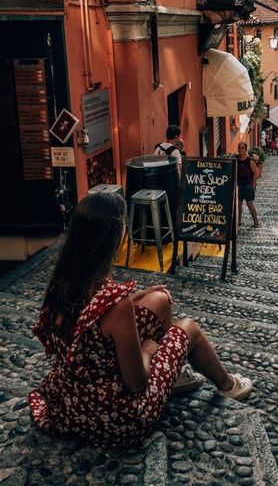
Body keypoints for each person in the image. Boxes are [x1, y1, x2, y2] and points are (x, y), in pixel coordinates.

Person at [29, 193, 252, 447]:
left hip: (74, 404)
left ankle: (174, 377)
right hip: (120, 419)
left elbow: (90, 320)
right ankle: (228, 384)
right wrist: (148, 351)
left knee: (160, 299)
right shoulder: (116, 304)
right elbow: (136, 382)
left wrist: (137, 297)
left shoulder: (61, 284)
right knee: (187, 327)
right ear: (116, 239)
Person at [237, 142, 260, 228]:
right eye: (239, 148)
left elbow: (256, 172)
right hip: (239, 185)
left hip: (248, 185)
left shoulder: (249, 161)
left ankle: (256, 223)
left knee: (250, 204)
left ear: (245, 149)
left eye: (242, 148)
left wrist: (253, 184)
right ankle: (238, 222)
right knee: (238, 205)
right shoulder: (236, 159)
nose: (240, 150)